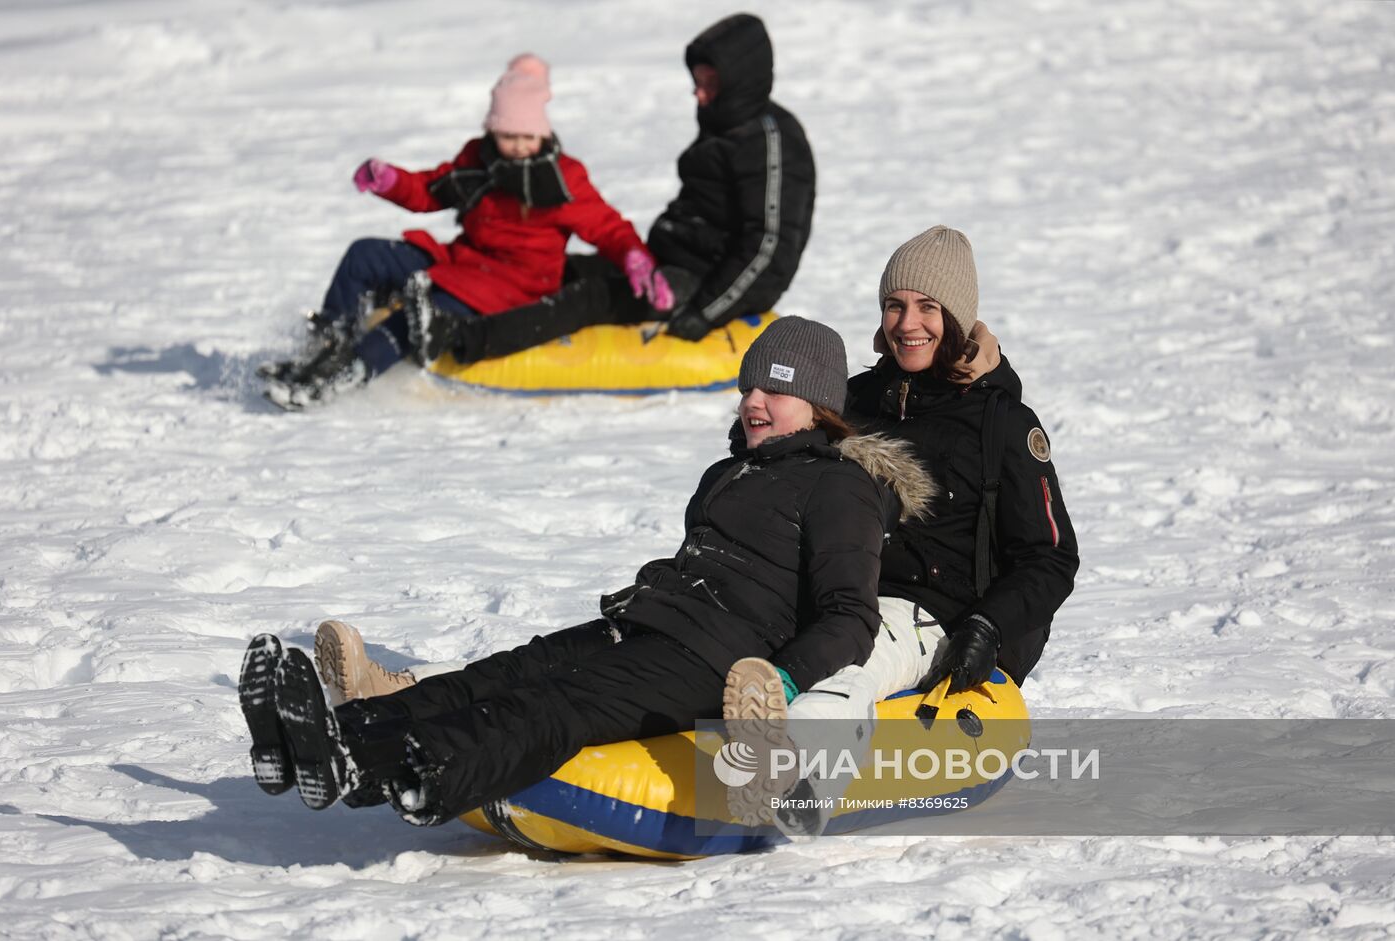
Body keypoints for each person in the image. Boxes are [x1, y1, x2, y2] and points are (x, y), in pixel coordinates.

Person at [239, 317, 935, 824]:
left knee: (550, 707)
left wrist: (781, 679)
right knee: (501, 673)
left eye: (774, 392)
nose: (753, 401)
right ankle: (332, 735)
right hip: (644, 621)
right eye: (748, 386)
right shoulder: (732, 470)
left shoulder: (838, 485)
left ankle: (370, 762)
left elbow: (850, 614)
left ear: (817, 406)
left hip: (711, 656)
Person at [724, 225, 1081, 835]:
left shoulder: (1002, 424)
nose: (908, 323)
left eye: (928, 307)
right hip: (831, 584)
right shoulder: (853, 401)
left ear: (958, 317)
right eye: (895, 305)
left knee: (852, 660)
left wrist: (987, 628)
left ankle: (797, 781)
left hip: (927, 612)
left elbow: (1050, 558)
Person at [260, 53, 671, 409]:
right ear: (492, 129)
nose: (518, 145)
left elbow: (607, 227)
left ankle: (342, 377)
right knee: (365, 254)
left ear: (543, 133)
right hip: (463, 260)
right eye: (508, 135)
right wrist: (390, 180)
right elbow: (430, 191)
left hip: (513, 285)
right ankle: (324, 350)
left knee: (420, 313)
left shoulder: (563, 178)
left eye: (528, 136)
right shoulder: (478, 159)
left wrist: (635, 258)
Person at [418, 12, 817, 367]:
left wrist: (706, 312)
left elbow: (769, 248)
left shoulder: (772, 143)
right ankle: (451, 291)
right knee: (562, 268)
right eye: (696, 82)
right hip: (670, 261)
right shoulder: (725, 120)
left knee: (592, 298)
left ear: (740, 82)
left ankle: (462, 341)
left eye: (709, 84)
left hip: (708, 283)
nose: (697, 93)